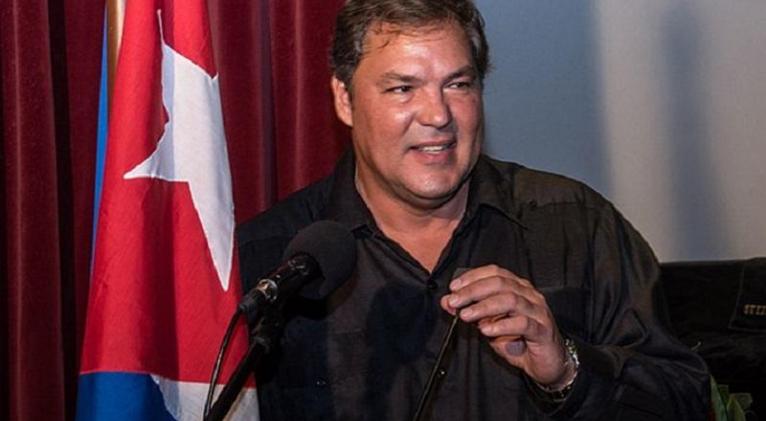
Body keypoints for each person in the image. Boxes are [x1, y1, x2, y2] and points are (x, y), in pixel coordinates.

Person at [236, 0, 710, 419]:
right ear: (345, 99)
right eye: (403, 88)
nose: (438, 115)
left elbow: (686, 401)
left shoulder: (577, 226)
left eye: (458, 84)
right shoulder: (269, 258)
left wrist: (566, 370)